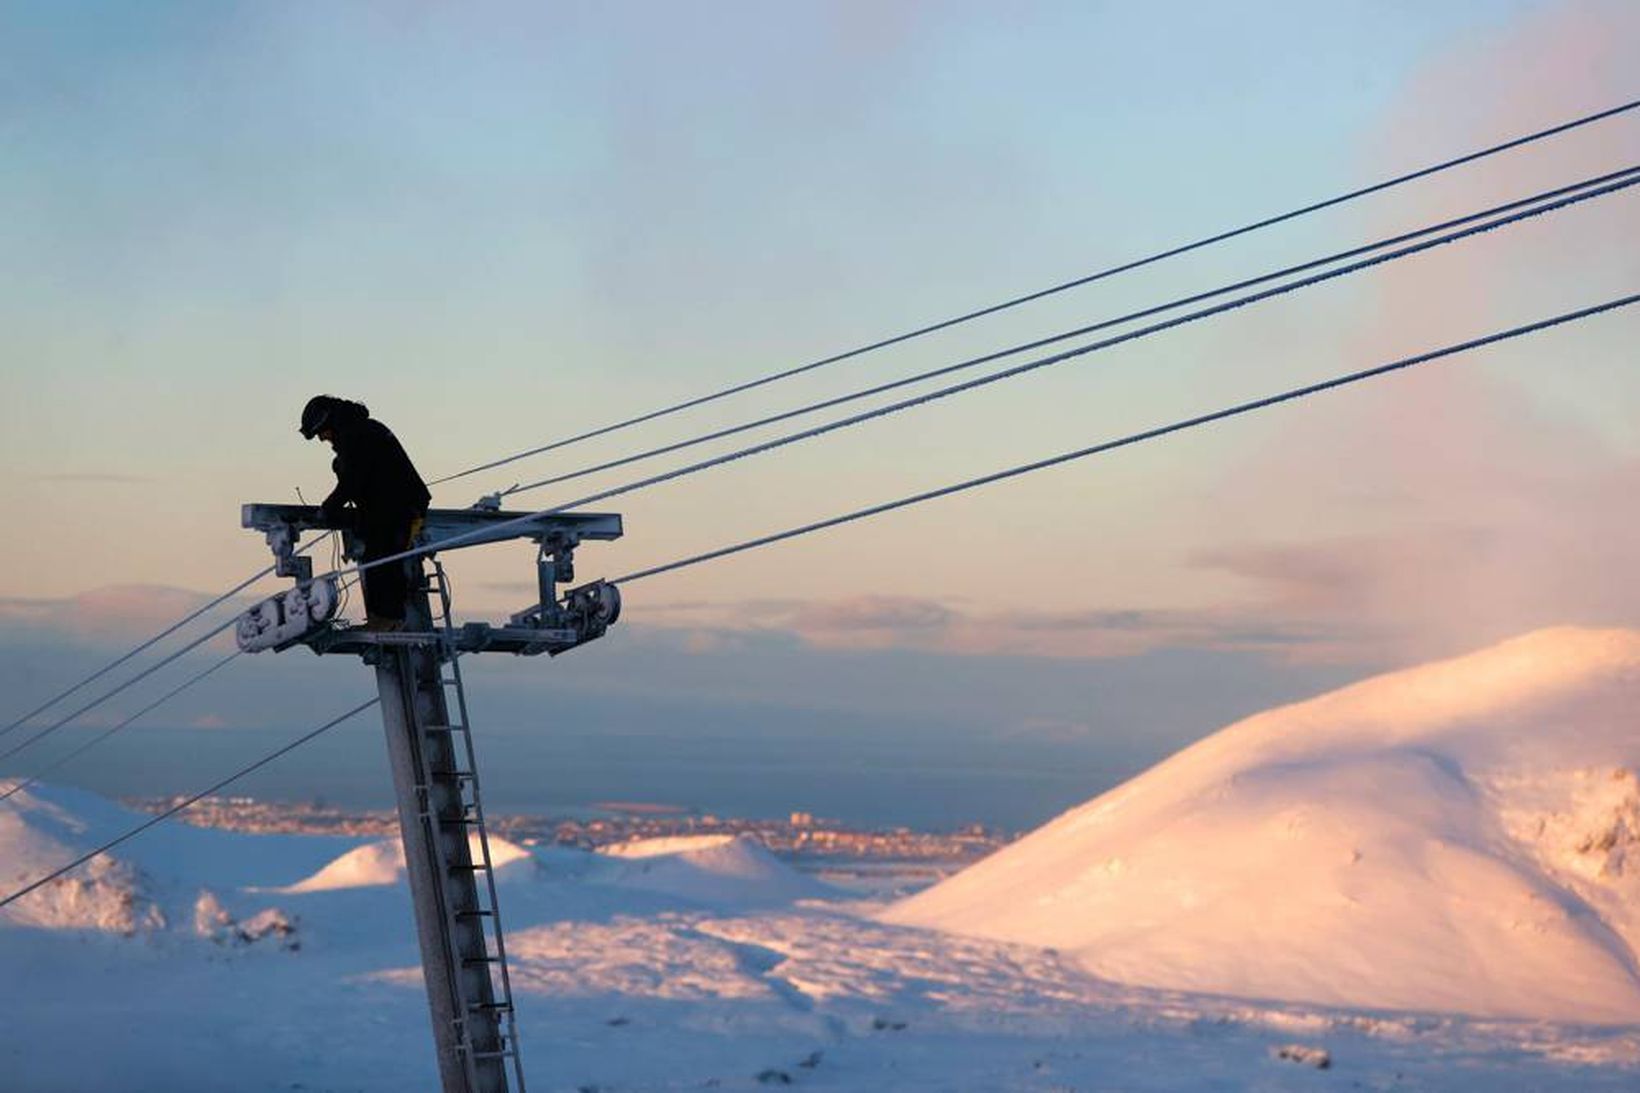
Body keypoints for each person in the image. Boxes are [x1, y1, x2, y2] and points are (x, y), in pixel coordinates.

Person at [299, 396, 431, 631]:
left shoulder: (356, 436)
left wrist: (327, 510)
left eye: (321, 432)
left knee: (383, 558)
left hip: (400, 506)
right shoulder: (362, 430)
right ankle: (386, 617)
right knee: (379, 555)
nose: (322, 438)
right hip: (394, 504)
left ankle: (388, 618)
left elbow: (353, 481)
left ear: (329, 422)